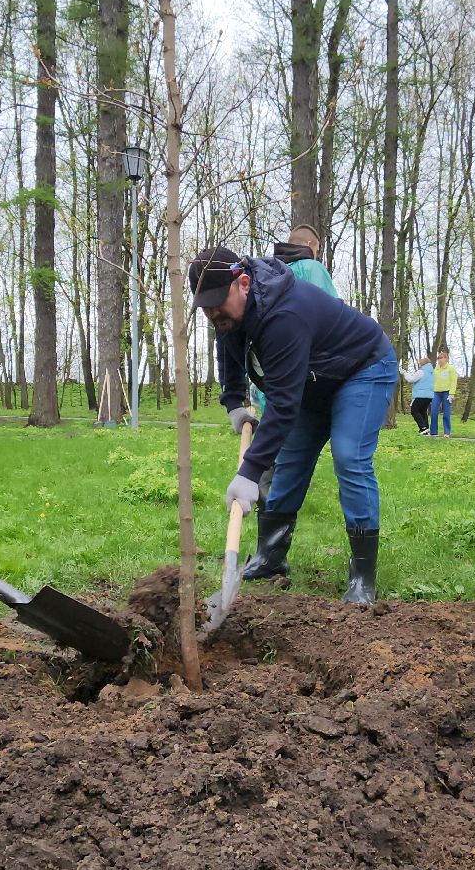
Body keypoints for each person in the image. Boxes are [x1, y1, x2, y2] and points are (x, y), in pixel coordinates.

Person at [194, 246, 397, 604]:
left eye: (217, 302)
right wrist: (232, 403)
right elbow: (228, 349)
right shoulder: (229, 311)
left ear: (243, 283)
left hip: (362, 369)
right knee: (289, 465)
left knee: (349, 457)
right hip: (314, 380)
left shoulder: (284, 314)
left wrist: (249, 472)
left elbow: (283, 405)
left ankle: (363, 577)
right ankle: (271, 559)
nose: (213, 312)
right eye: (205, 306)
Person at [273, 223, 337, 297]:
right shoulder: (312, 267)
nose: (316, 256)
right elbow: (331, 304)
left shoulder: (275, 269)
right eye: (316, 251)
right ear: (308, 244)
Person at [401, 354, 434, 432]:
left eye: (419, 363)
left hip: (420, 395)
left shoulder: (421, 372)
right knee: (423, 412)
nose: (419, 365)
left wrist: (405, 373)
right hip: (429, 396)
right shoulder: (431, 373)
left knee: (414, 411)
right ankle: (426, 427)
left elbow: (411, 379)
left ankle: (423, 427)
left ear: (423, 364)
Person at [430, 349, 458, 436]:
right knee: (434, 411)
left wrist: (451, 393)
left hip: (447, 392)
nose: (439, 360)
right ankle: (434, 432)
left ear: (446, 359)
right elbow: (432, 381)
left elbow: (454, 381)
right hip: (436, 392)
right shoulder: (436, 369)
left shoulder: (451, 369)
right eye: (438, 358)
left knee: (446, 412)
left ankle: (447, 432)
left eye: (441, 358)